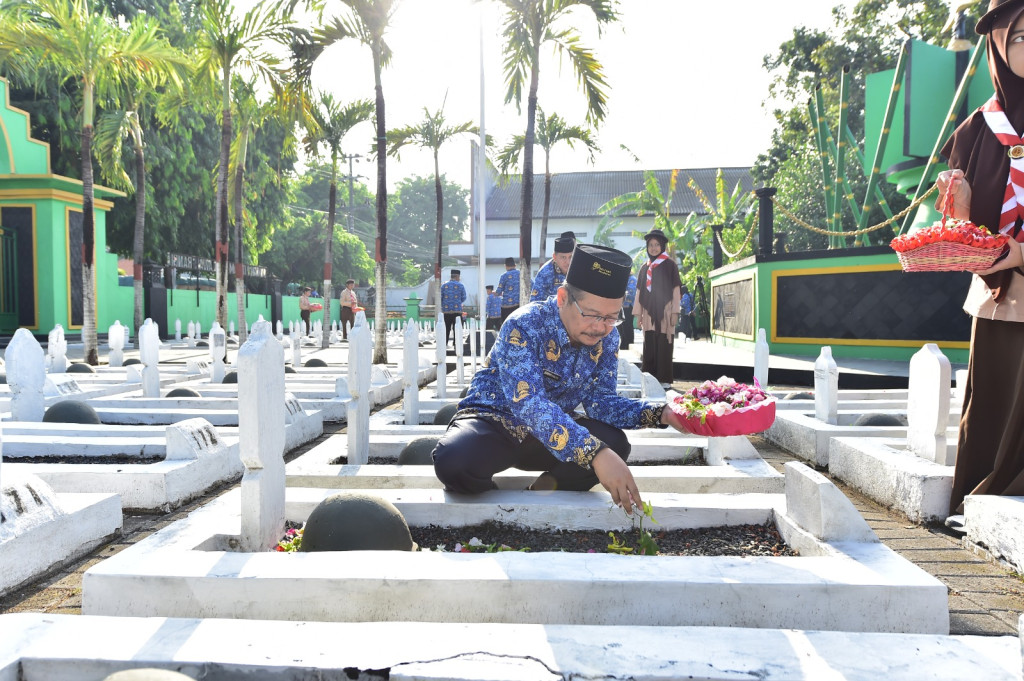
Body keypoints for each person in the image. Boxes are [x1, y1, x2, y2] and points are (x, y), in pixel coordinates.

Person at [431, 244, 691, 511]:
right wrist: (594, 453)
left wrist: (661, 414)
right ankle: (493, 500)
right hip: (495, 425)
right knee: (453, 462)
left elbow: (601, 402)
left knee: (616, 444)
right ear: (562, 298)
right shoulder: (524, 324)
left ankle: (539, 493)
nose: (601, 327)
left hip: (551, 436)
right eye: (592, 315)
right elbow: (528, 404)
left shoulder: (608, 338)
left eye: (612, 318)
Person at [935, 0, 1024, 523]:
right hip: (997, 298)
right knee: (990, 408)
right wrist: (961, 209)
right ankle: (982, 504)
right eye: (1017, 37)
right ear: (994, 45)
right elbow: (964, 236)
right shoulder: (975, 132)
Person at [633, 229, 681, 387]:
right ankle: (649, 378)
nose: (653, 248)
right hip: (648, 313)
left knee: (664, 344)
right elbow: (639, 292)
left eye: (656, 245)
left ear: (663, 246)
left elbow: (675, 290)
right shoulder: (644, 268)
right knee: (650, 344)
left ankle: (665, 379)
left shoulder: (670, 265)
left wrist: (675, 311)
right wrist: (638, 315)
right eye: (650, 245)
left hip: (666, 312)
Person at [530, 231, 576, 301]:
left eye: (570, 257)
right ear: (554, 257)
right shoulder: (545, 273)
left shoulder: (579, 268)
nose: (568, 262)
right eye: (563, 257)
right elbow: (535, 302)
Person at [440, 269, 468, 346]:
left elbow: (440, 298)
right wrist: (457, 302)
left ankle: (444, 344)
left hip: (446, 312)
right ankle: (456, 344)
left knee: (446, 328)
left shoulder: (444, 286)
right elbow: (464, 297)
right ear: (457, 276)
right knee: (457, 329)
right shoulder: (460, 285)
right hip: (457, 311)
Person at [495, 256, 520, 324]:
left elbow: (499, 291)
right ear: (515, 265)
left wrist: (495, 293)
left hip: (507, 306)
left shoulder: (504, 276)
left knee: (506, 325)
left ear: (505, 266)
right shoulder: (521, 273)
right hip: (519, 305)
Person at [620, 272, 637, 350]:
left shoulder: (632, 279)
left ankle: (629, 344)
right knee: (622, 326)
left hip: (629, 306)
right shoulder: (626, 279)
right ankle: (624, 345)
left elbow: (631, 293)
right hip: (623, 305)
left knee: (628, 326)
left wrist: (625, 301)